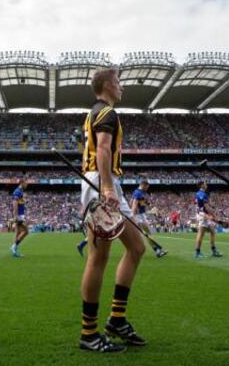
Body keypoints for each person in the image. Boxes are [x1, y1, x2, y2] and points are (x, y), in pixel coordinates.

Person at [77, 68, 147, 353]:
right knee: (98, 257)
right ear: (106, 85)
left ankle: (116, 319)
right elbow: (103, 150)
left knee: (136, 247)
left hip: (103, 181)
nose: (122, 88)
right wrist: (106, 188)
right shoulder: (107, 112)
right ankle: (89, 333)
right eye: (118, 82)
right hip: (100, 181)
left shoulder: (95, 112)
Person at [193, 182, 221, 259]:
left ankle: (213, 250)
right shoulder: (203, 194)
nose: (207, 185)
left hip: (202, 214)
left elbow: (198, 205)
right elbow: (206, 207)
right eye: (205, 184)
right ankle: (197, 252)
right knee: (201, 234)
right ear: (202, 185)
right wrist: (214, 215)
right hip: (203, 215)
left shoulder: (197, 194)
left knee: (212, 231)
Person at [9, 179, 28, 257]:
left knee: (18, 233)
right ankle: (13, 247)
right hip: (19, 215)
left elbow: (19, 202)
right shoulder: (17, 191)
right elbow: (14, 203)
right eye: (26, 183)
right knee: (26, 231)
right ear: (22, 183)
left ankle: (14, 252)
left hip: (20, 214)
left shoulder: (20, 191)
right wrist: (16, 216)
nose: (27, 185)